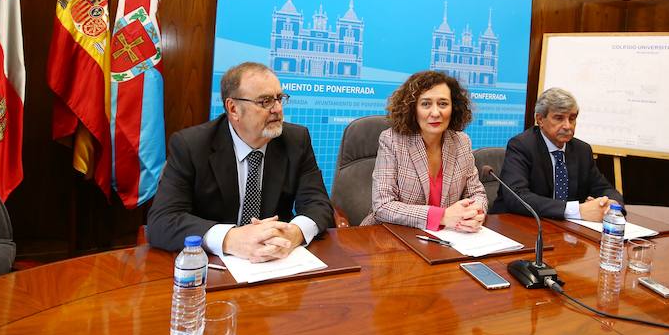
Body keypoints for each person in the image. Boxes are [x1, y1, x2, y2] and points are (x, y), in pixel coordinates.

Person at [147, 62, 333, 262]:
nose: (277, 109)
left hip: (277, 262)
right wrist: (230, 238)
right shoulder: (191, 146)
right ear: (233, 108)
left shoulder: (296, 140)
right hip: (214, 266)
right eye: (265, 101)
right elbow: (162, 221)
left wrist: (293, 233)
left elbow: (319, 204)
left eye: (280, 98)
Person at [361, 70, 487, 231]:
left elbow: (477, 193)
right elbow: (383, 206)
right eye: (426, 104)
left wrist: (475, 212)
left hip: (448, 238)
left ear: (454, 108)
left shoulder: (461, 142)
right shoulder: (392, 141)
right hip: (392, 236)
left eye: (443, 104)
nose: (435, 113)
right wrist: (442, 216)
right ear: (413, 109)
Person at [491, 87, 622, 221]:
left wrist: (611, 205)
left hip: (564, 228)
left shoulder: (582, 150)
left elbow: (604, 188)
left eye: (572, 118)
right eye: (559, 118)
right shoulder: (521, 145)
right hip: (518, 224)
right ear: (540, 119)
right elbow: (516, 196)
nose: (567, 126)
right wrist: (577, 211)